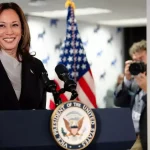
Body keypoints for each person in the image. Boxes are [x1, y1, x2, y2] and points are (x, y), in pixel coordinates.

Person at [0, 2, 49, 110]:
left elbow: (40, 111)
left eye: (15, 25)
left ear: (22, 29)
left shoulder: (36, 66)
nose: (9, 32)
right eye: (2, 25)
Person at [114, 40, 147, 150]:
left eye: (141, 59)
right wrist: (127, 79)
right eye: (135, 61)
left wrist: (147, 89)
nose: (138, 64)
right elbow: (119, 102)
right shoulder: (135, 80)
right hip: (133, 134)